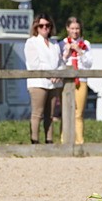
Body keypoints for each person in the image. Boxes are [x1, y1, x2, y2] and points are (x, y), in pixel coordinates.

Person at [24, 13, 64, 144]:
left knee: (51, 115)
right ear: (36, 27)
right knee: (37, 113)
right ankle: (34, 140)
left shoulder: (55, 43)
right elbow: (34, 64)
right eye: (41, 25)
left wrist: (57, 73)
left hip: (53, 84)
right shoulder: (31, 42)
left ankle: (49, 140)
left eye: (47, 25)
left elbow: (61, 63)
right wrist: (50, 73)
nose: (45, 28)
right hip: (38, 82)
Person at [61, 17, 94, 144]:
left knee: (78, 113)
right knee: (66, 112)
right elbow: (60, 63)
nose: (75, 31)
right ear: (67, 29)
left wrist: (80, 51)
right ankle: (65, 140)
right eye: (72, 28)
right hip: (67, 81)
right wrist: (67, 52)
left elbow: (89, 64)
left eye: (77, 28)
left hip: (81, 80)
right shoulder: (62, 44)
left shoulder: (86, 44)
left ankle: (79, 140)